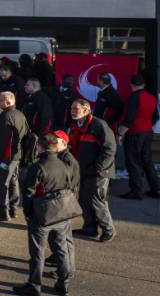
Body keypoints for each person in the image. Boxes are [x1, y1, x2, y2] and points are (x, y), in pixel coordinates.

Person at [12, 132, 79, 296]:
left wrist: (28, 212)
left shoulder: (38, 166)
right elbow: (70, 185)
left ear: (40, 147)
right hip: (61, 214)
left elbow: (28, 192)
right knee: (61, 249)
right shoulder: (65, 164)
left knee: (37, 253)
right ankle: (64, 283)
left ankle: (34, 285)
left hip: (42, 214)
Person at [68, 98, 116, 242]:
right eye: (71, 109)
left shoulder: (98, 125)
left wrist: (98, 169)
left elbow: (110, 148)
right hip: (82, 169)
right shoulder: (75, 125)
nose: (73, 112)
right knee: (83, 199)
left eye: (76, 109)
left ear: (86, 110)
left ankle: (108, 230)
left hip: (98, 172)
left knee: (97, 201)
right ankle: (89, 228)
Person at [117, 76, 160, 200]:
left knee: (133, 162)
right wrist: (148, 125)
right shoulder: (151, 97)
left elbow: (129, 118)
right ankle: (156, 189)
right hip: (147, 132)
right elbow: (156, 116)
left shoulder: (133, 98)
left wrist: (120, 134)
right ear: (144, 85)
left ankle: (136, 191)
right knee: (147, 161)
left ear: (131, 85)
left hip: (135, 132)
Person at [0, 91, 29, 221]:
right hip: (17, 156)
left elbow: (4, 141)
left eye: (0, 100)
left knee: (2, 184)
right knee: (13, 182)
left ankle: (4, 212)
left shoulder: (6, 116)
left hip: (6, 157)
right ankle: (13, 210)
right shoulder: (20, 114)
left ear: (8, 102)